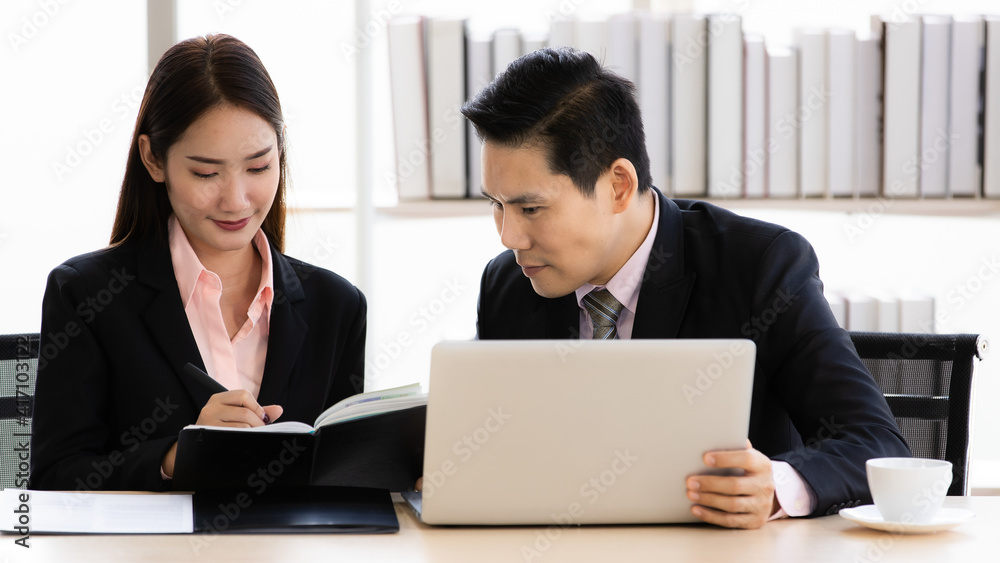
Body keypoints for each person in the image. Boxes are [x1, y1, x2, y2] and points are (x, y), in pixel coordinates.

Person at [462, 47, 910, 529]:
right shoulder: (508, 283)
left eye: (530, 209)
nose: (508, 237)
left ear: (617, 186)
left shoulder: (759, 267)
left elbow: (877, 444)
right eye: (496, 205)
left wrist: (777, 486)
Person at [30, 34, 366, 492]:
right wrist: (175, 456)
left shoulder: (337, 306)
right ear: (154, 159)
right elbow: (54, 480)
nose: (236, 200)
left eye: (258, 167)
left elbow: (347, 478)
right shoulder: (86, 295)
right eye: (206, 173)